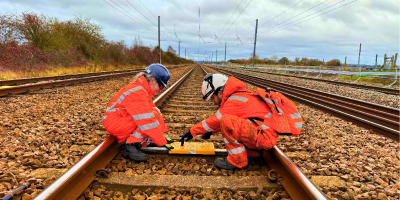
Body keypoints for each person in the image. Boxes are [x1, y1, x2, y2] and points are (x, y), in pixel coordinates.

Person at [180, 73, 303, 169]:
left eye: (212, 98)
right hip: (262, 134)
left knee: (226, 121)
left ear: (220, 92)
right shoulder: (239, 95)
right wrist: (211, 132)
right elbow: (240, 120)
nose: (213, 102)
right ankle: (252, 154)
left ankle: (237, 161)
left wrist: (192, 132)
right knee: (228, 121)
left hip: (263, 138)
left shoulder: (234, 101)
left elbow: (217, 120)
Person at [103, 63, 174, 162]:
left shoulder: (143, 90)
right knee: (147, 119)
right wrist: (161, 142)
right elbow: (147, 122)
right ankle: (130, 145)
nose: (161, 90)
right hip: (115, 122)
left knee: (154, 111)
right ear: (153, 81)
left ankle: (140, 141)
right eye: (161, 86)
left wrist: (164, 133)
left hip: (120, 119)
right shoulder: (138, 92)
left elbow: (154, 112)